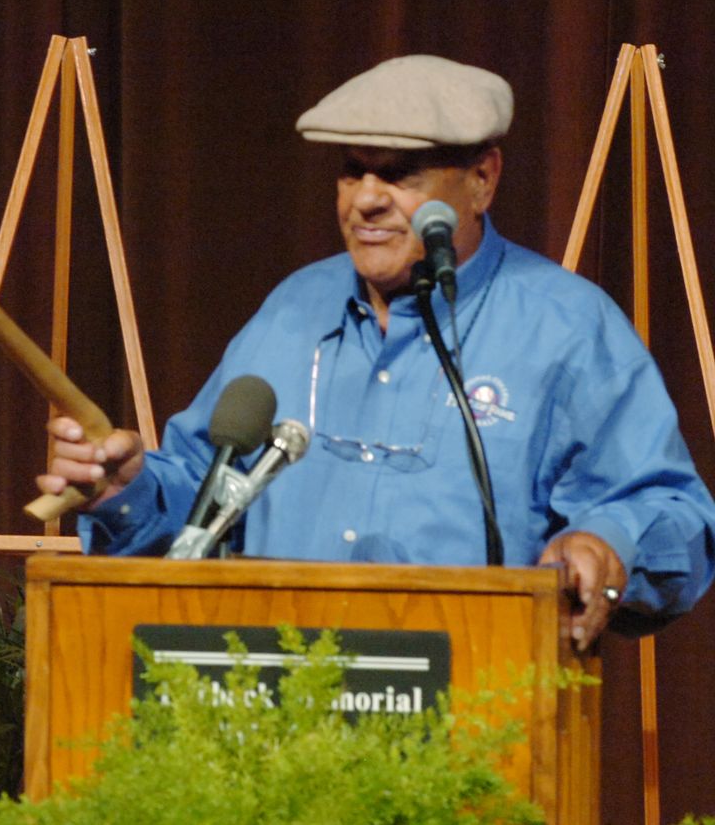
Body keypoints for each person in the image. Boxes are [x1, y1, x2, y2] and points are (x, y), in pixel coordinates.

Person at [37, 54, 715, 653]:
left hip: (482, 722)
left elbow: (677, 513)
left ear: (482, 178)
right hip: (280, 714)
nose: (366, 200)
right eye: (352, 171)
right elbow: (206, 493)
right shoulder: (293, 310)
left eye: (400, 175)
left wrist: (607, 544)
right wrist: (129, 491)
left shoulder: (566, 327)